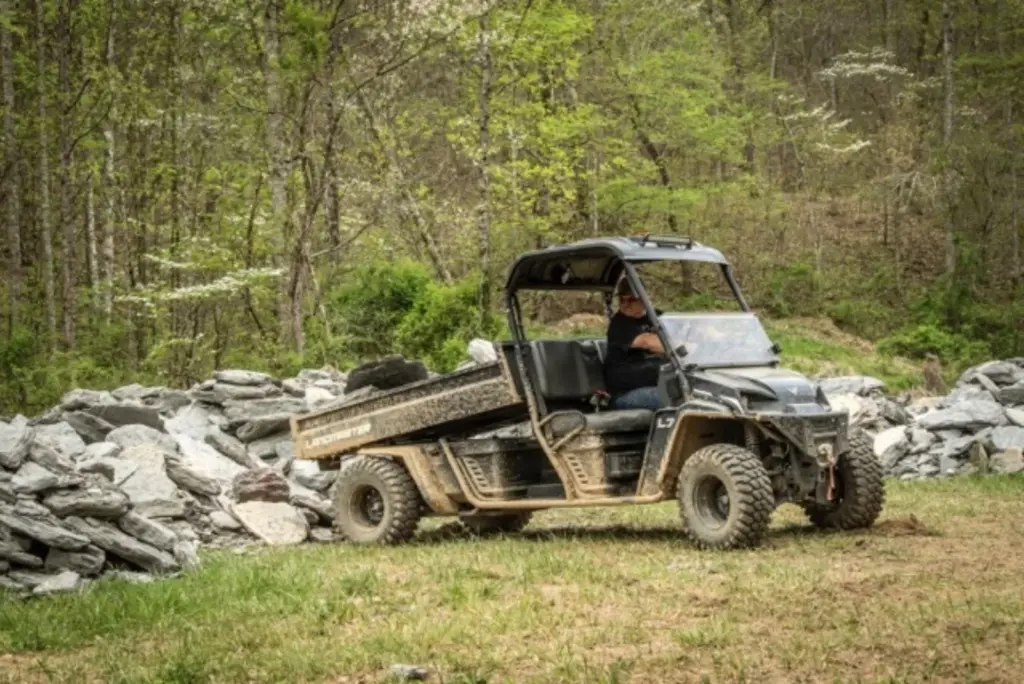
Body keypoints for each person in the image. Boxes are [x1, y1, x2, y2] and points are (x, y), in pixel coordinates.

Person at [603, 277, 665, 411]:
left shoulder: (657, 317)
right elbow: (647, 342)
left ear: (643, 298)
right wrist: (682, 345)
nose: (625, 305)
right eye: (621, 300)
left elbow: (681, 331)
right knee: (674, 397)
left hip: (659, 383)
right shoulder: (619, 324)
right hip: (626, 393)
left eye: (630, 300)